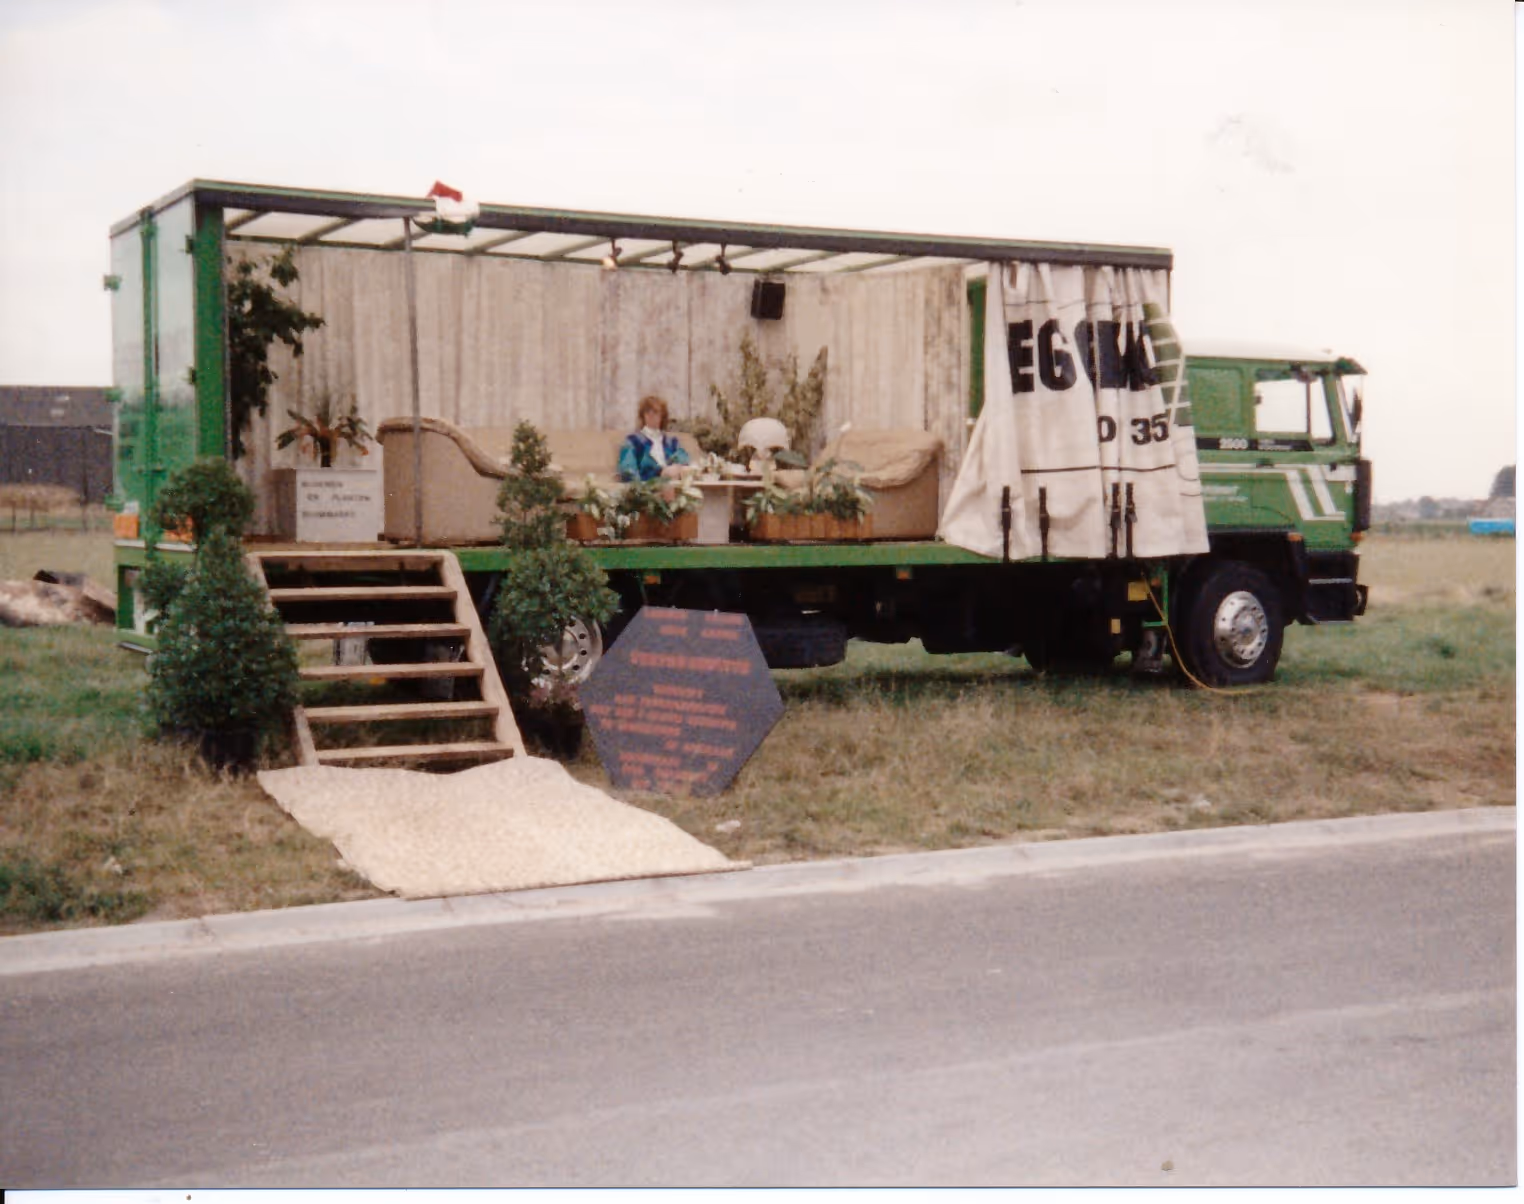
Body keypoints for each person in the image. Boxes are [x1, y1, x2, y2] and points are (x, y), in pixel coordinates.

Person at [618, 395, 691, 482]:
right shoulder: (633, 441)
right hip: (648, 487)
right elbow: (627, 470)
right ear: (643, 415)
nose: (651, 415)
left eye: (655, 412)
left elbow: (683, 459)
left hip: (673, 483)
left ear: (662, 416)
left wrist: (676, 467)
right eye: (647, 412)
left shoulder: (671, 442)